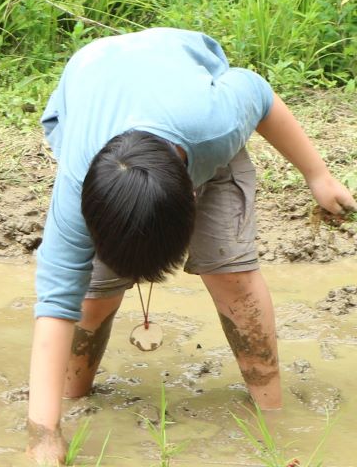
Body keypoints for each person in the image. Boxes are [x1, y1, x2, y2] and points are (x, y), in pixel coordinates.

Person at [26, 28, 355, 463]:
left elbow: (258, 92)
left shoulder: (214, 126)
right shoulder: (77, 182)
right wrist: (42, 436)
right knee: (91, 298)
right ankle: (72, 397)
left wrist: (318, 176)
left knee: (232, 273)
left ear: (195, 198)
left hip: (186, 111)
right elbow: (55, 304)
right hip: (95, 91)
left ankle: (270, 409)